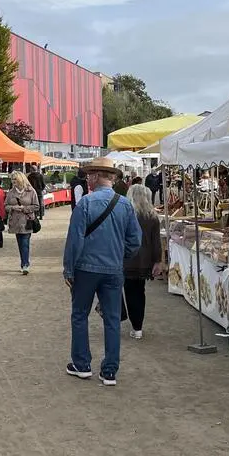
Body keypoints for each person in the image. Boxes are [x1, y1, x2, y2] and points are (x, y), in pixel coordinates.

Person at [63, 157, 142, 386]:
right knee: (112, 319)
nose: (87, 178)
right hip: (113, 269)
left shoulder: (85, 204)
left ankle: (82, 364)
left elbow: (74, 241)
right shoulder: (125, 204)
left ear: (97, 176)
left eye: (89, 175)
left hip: (86, 269)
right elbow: (135, 241)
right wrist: (119, 255)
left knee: (80, 315)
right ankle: (109, 371)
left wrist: (69, 269)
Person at [122, 185, 162, 339]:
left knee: (129, 292)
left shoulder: (125, 215)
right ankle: (138, 326)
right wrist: (157, 261)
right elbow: (156, 242)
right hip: (145, 261)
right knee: (140, 292)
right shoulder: (152, 216)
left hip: (127, 259)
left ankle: (134, 325)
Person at [5, 171, 40, 274]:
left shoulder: (31, 191)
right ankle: (23, 263)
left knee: (25, 242)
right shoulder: (11, 192)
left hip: (27, 221)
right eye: (12, 179)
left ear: (21, 179)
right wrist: (13, 207)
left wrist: (25, 208)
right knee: (20, 243)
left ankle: (25, 265)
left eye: (15, 179)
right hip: (15, 222)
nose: (13, 181)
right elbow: (6, 205)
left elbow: (36, 206)